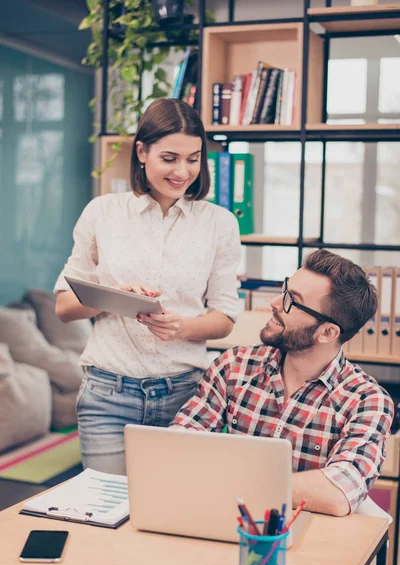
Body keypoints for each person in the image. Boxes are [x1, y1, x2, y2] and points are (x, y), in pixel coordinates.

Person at [54, 98, 241, 475]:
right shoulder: (102, 212)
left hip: (186, 397)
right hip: (107, 396)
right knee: (107, 514)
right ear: (142, 151)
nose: (183, 171)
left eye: (194, 158)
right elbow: (64, 306)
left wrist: (183, 327)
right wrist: (116, 295)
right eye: (169, 158)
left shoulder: (219, 223)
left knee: (173, 516)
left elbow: (224, 316)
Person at [171, 250, 394, 517]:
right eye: (284, 290)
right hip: (223, 523)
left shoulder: (367, 401)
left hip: (309, 543)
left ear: (327, 332)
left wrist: (233, 480)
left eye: (291, 301)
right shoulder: (234, 366)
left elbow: (338, 492)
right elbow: (179, 446)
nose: (276, 302)